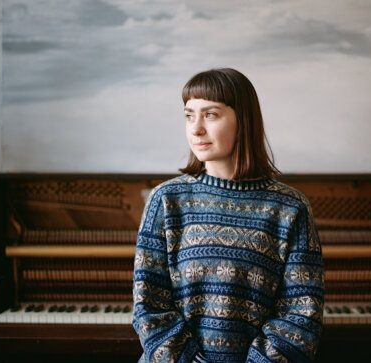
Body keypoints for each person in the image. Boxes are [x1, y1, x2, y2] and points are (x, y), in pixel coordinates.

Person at [132, 68, 324, 363]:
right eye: (188, 115)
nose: (195, 129)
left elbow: (301, 314)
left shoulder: (291, 207)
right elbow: (149, 306)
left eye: (210, 115)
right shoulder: (166, 200)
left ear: (243, 121)